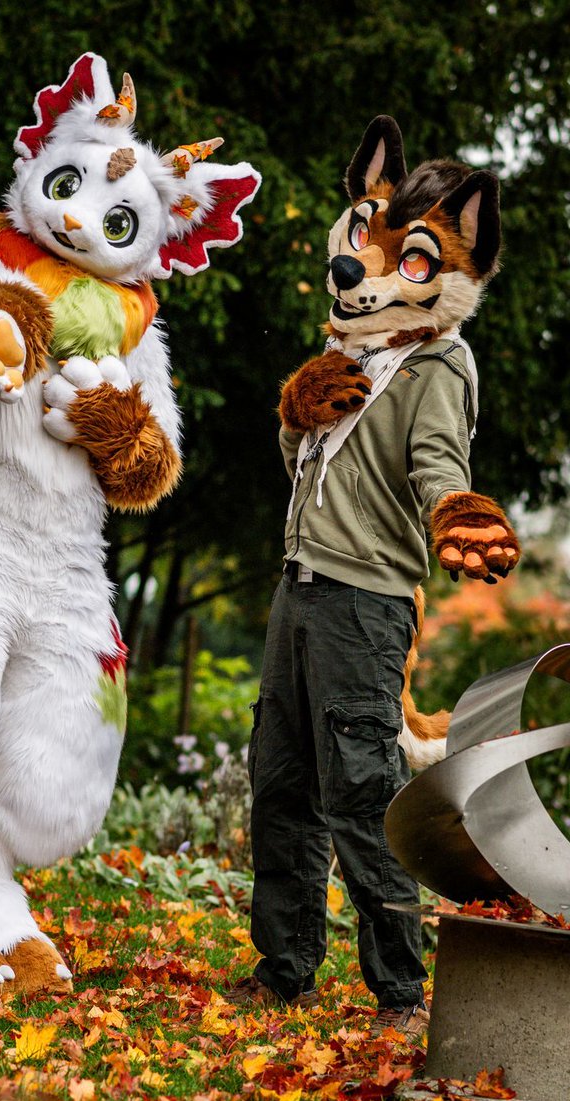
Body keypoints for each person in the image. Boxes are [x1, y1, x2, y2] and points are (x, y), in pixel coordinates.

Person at [226, 116, 521, 1041]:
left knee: (360, 794)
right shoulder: (350, 351)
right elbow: (303, 466)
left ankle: (399, 995)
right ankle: (284, 970)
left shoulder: (437, 363)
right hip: (299, 588)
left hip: (364, 603)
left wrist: (457, 512)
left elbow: (437, 466)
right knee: (279, 786)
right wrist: (295, 413)